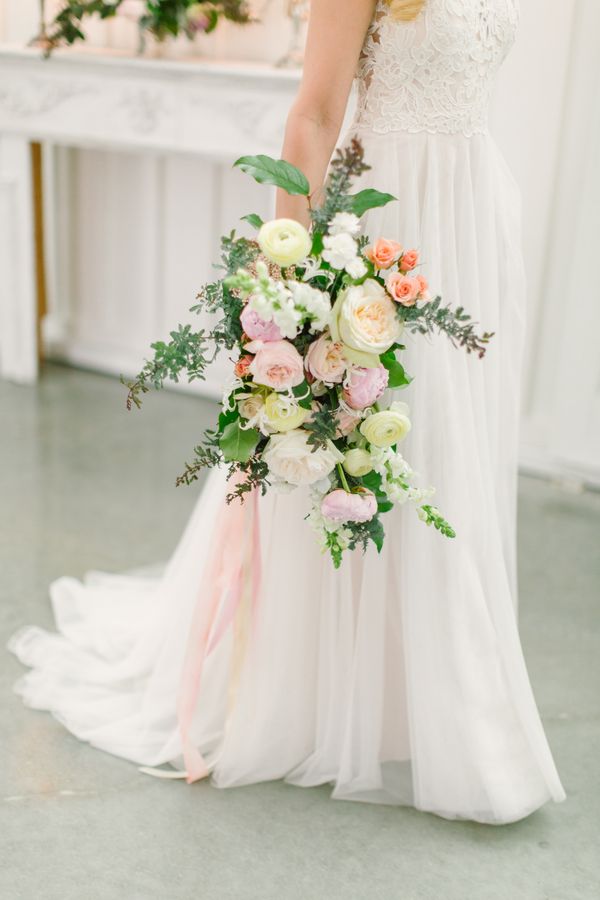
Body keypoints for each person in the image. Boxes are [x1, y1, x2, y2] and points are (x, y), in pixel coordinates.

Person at [9, 0, 565, 824]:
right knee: (371, 449)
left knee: (451, 459)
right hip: (389, 229)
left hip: (474, 227)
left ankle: (421, 691)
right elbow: (313, 113)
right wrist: (289, 294)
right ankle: (347, 697)